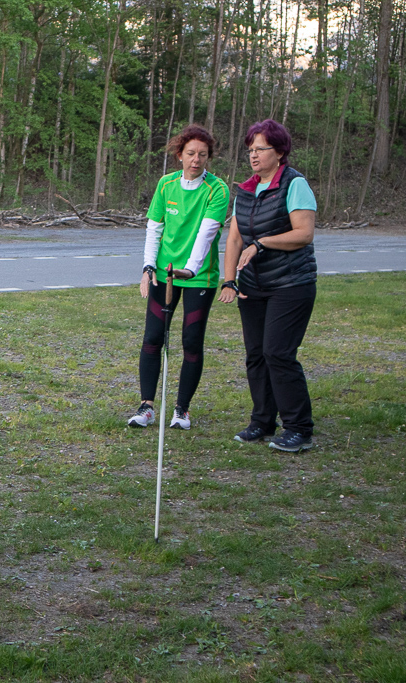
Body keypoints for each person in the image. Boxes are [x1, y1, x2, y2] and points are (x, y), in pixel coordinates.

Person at [219, 119, 318, 453]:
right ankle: (262, 421)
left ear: (279, 151)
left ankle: (299, 429)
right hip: (253, 287)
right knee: (256, 355)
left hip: (291, 284)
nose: (253, 155)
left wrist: (261, 243)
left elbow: (303, 233)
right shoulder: (246, 190)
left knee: (278, 353)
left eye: (260, 149)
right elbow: (234, 238)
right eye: (250, 150)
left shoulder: (295, 184)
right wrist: (229, 279)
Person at [128, 124, 230, 430]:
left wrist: (192, 268)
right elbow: (154, 229)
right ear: (179, 155)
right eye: (190, 154)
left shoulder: (218, 190)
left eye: (202, 154)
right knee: (152, 338)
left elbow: (207, 233)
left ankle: (182, 410)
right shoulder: (166, 185)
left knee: (191, 342)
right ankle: (146, 406)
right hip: (164, 275)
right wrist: (148, 268)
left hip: (198, 277)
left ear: (209, 157)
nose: (196, 160)